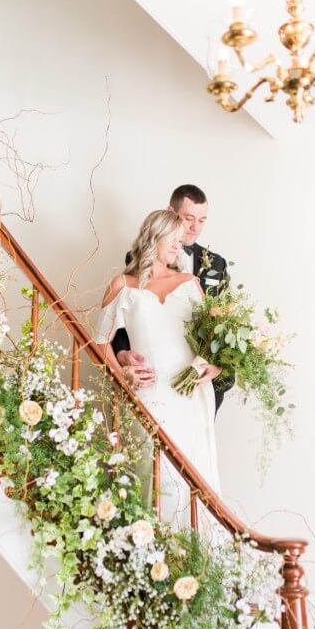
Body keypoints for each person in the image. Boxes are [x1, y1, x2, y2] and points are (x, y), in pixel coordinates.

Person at [93, 210, 222, 530]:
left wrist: (214, 367)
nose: (179, 246)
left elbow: (214, 342)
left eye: (182, 241)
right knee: (153, 476)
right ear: (153, 237)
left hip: (189, 395)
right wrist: (122, 373)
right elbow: (98, 343)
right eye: (173, 239)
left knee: (191, 477)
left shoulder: (191, 284)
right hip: (148, 396)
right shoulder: (123, 285)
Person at [112, 184, 232, 412]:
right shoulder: (138, 258)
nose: (195, 227)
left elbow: (224, 324)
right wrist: (121, 353)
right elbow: (127, 312)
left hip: (201, 383)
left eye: (202, 220)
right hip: (155, 379)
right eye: (189, 218)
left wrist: (218, 368)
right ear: (170, 213)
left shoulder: (217, 264)